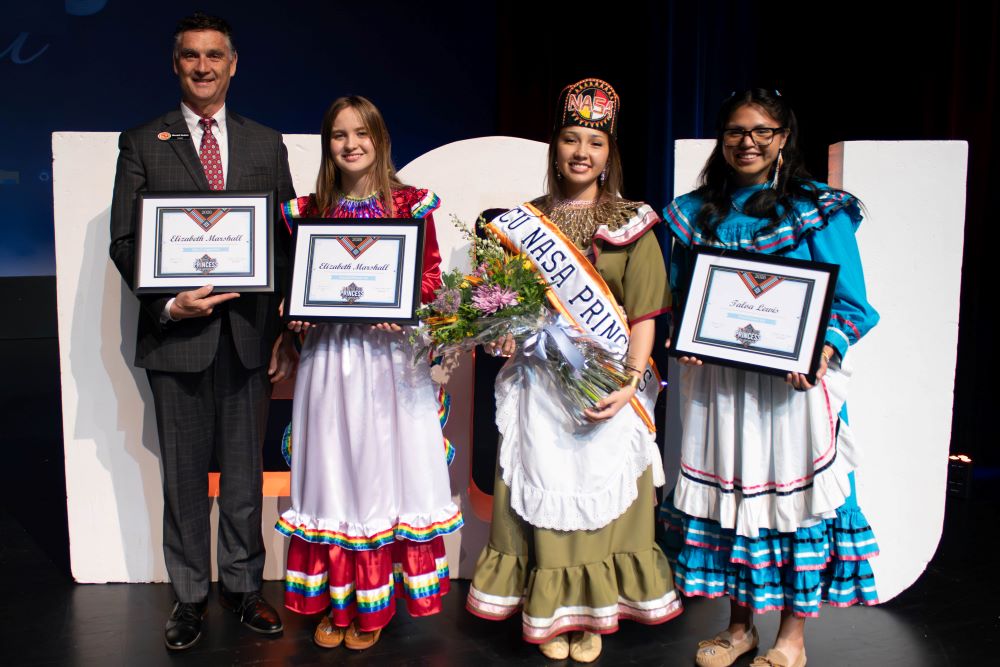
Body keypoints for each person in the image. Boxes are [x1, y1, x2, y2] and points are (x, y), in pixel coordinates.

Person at [658, 89, 880, 667]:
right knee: (732, 498)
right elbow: (685, 300)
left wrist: (820, 353)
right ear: (721, 138)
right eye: (735, 131)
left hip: (791, 388)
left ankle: (792, 638)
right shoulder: (694, 211)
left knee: (793, 504)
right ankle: (738, 629)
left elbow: (852, 305)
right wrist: (690, 338)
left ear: (783, 137)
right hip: (723, 388)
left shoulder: (815, 209)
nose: (747, 142)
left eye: (761, 131)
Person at [466, 78, 681, 663]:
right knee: (542, 493)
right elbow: (495, 305)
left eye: (594, 142)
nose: (581, 152)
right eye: (570, 139)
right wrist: (499, 333)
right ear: (553, 146)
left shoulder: (634, 223)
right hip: (539, 389)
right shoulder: (522, 223)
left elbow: (642, 318)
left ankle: (592, 611)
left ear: (610, 154)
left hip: (605, 389)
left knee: (598, 497)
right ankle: (548, 610)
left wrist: (628, 383)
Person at [108, 11, 295, 651]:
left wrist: (283, 331)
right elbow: (126, 242)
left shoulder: (265, 145)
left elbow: (283, 244)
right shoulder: (142, 141)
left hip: (247, 337)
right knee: (184, 480)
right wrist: (168, 303)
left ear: (233, 63)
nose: (203, 66)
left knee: (244, 478)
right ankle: (189, 597)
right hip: (176, 337)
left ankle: (242, 588)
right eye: (191, 55)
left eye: (215, 55)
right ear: (176, 63)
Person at [275, 95, 462, 651]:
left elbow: (430, 280)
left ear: (379, 139)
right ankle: (339, 598)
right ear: (327, 144)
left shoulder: (411, 206)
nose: (351, 144)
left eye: (362, 133)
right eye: (338, 135)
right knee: (333, 469)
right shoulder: (307, 211)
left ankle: (374, 605)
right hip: (331, 358)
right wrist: (299, 310)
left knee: (380, 472)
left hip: (387, 359)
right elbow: (298, 286)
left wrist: (398, 305)